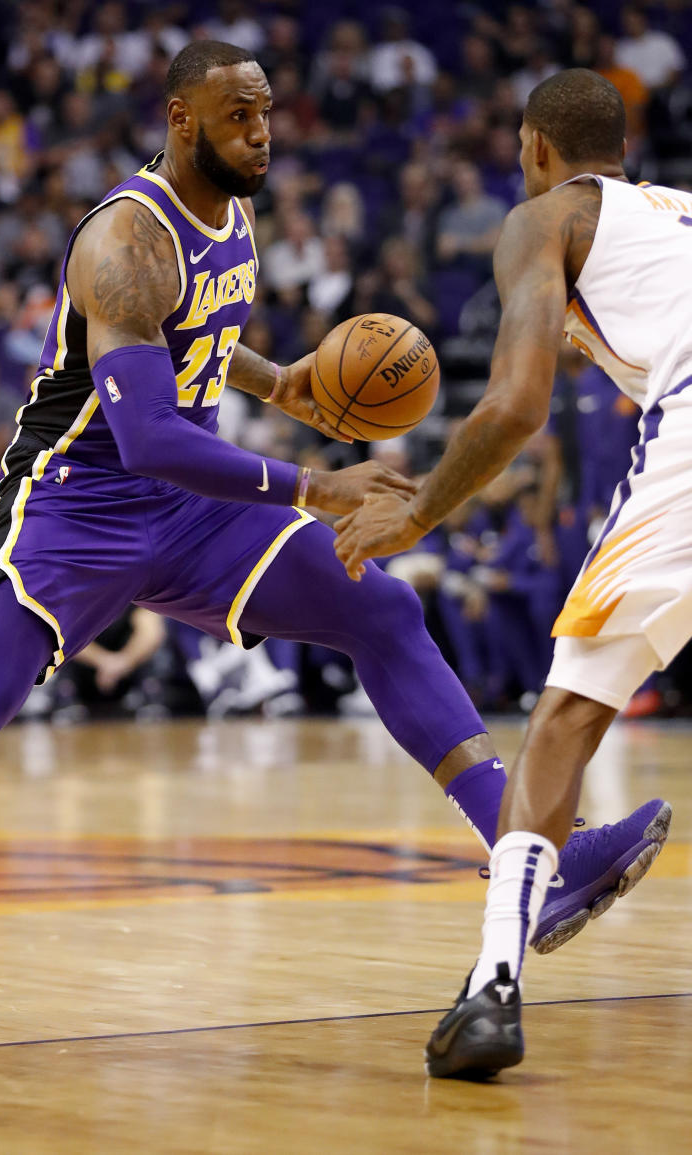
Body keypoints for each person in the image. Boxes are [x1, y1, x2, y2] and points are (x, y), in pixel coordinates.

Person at [0, 45, 663, 1029]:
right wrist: (316, 485)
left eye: (268, 112)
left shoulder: (231, 216)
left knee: (381, 606)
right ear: (182, 119)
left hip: (193, 512)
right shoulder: (123, 237)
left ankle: (530, 856)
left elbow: (192, 334)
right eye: (239, 115)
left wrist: (276, 380)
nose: (262, 132)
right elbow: (149, 436)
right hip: (73, 508)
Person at [332, 70, 678, 1078]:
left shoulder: (543, 218)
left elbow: (517, 404)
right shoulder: (676, 215)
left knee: (567, 715)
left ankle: (493, 988)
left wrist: (419, 506)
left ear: (533, 147)